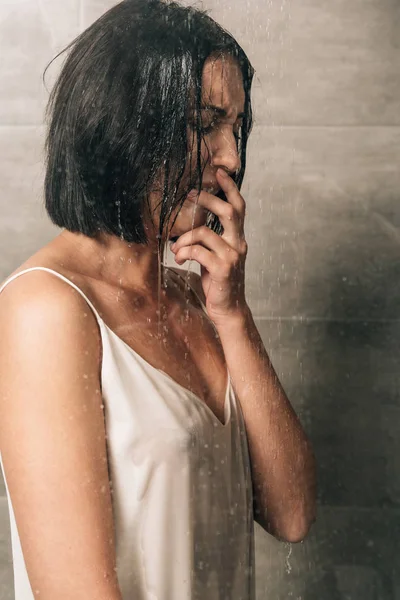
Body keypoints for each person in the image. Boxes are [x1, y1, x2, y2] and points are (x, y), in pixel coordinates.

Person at [0, 1, 317, 599]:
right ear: (124, 123)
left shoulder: (200, 300)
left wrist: (233, 313)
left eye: (236, 128)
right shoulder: (47, 309)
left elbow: (293, 514)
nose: (231, 156)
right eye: (205, 123)